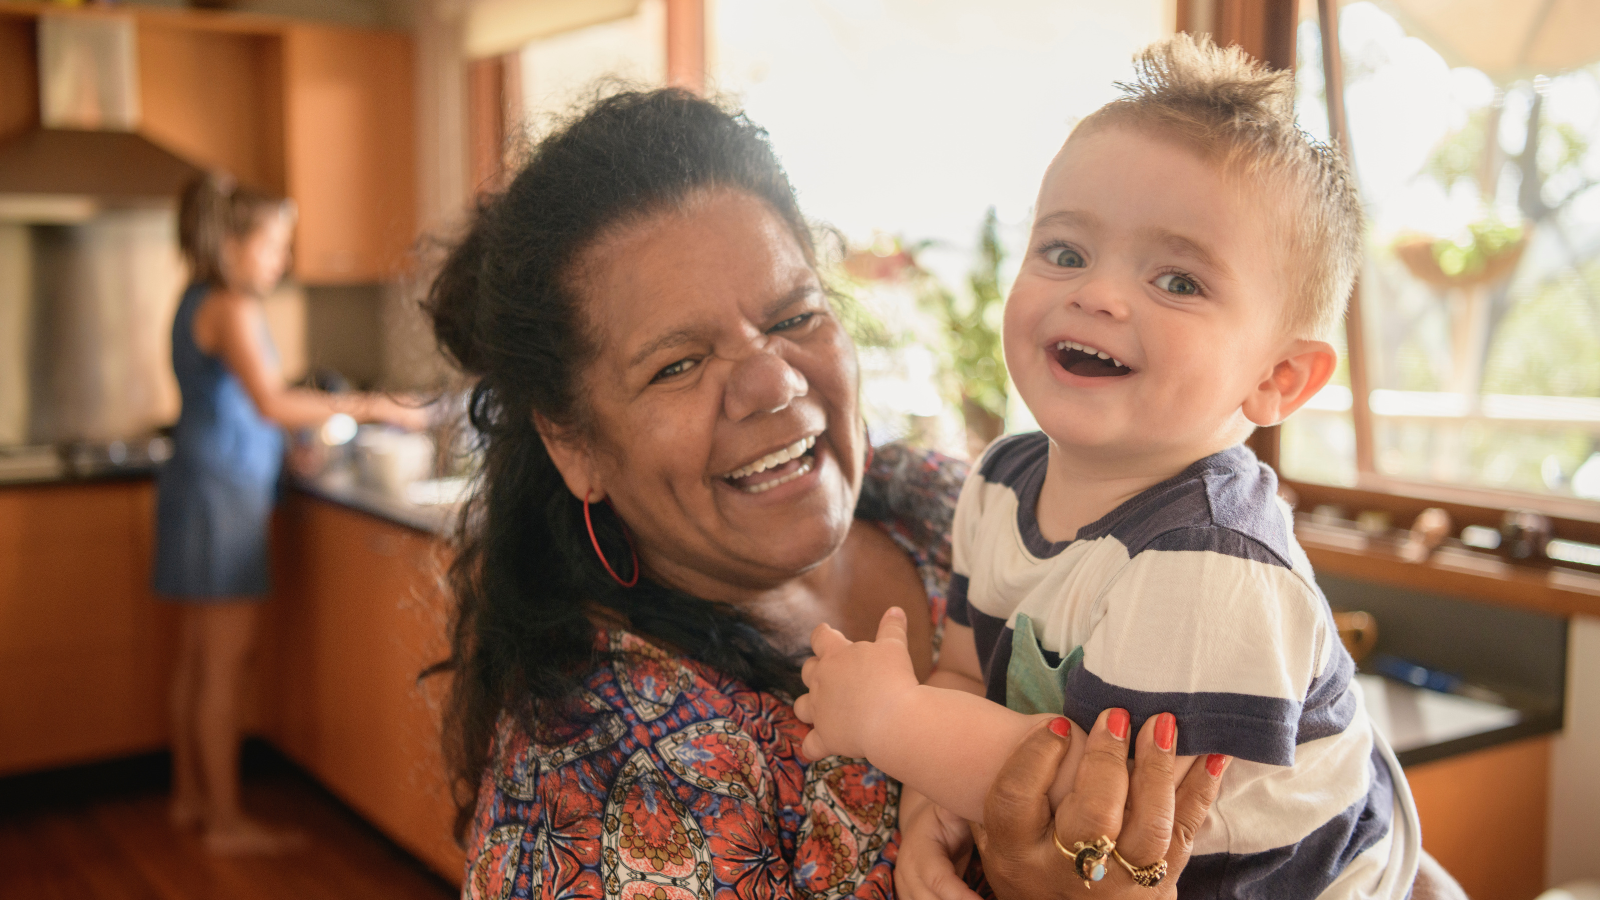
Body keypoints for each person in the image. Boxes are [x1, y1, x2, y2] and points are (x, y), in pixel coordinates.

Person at [423, 88, 1227, 900]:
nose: (772, 382)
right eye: (678, 364)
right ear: (574, 443)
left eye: (793, 316)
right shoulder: (605, 793)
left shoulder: (951, 503)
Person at [796, 35, 1424, 898]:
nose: (1098, 294)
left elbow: (1096, 795)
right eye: (1064, 252)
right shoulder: (1000, 480)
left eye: (1177, 280)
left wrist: (891, 724)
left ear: (1277, 378)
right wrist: (923, 813)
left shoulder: (1209, 554)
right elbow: (962, 672)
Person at [155, 172, 426, 855]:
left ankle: (191, 799)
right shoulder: (234, 307)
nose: (280, 260)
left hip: (197, 488)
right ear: (234, 243)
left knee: (195, 659)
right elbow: (271, 401)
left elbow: (242, 408)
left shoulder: (196, 299)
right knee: (224, 664)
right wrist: (375, 405)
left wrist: (289, 449)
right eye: (274, 245)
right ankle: (225, 823)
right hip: (222, 501)